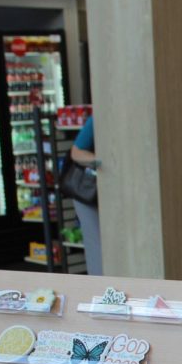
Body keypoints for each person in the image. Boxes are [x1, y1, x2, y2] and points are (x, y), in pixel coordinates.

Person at [69, 114, 101, 275]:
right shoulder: (99, 117)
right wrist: (101, 161)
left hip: (108, 194)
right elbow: (76, 152)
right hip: (89, 195)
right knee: (96, 245)